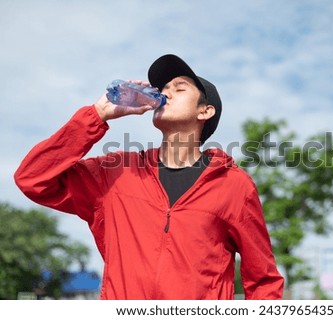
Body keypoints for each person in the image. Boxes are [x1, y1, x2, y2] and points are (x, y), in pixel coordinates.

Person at [14, 54, 284, 300]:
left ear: (205, 111)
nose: (166, 92)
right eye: (164, 89)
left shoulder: (233, 185)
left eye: (179, 88)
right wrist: (96, 116)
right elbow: (33, 178)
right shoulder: (116, 172)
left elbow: (263, 281)